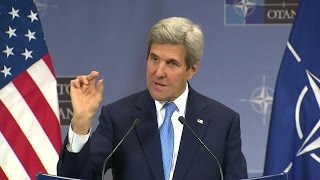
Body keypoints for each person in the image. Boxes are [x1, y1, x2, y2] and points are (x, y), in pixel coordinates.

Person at [57, 17, 248, 180]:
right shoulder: (119, 117)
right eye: (154, 59)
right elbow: (75, 178)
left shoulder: (223, 123)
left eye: (171, 63)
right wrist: (81, 122)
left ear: (192, 69)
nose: (158, 72)